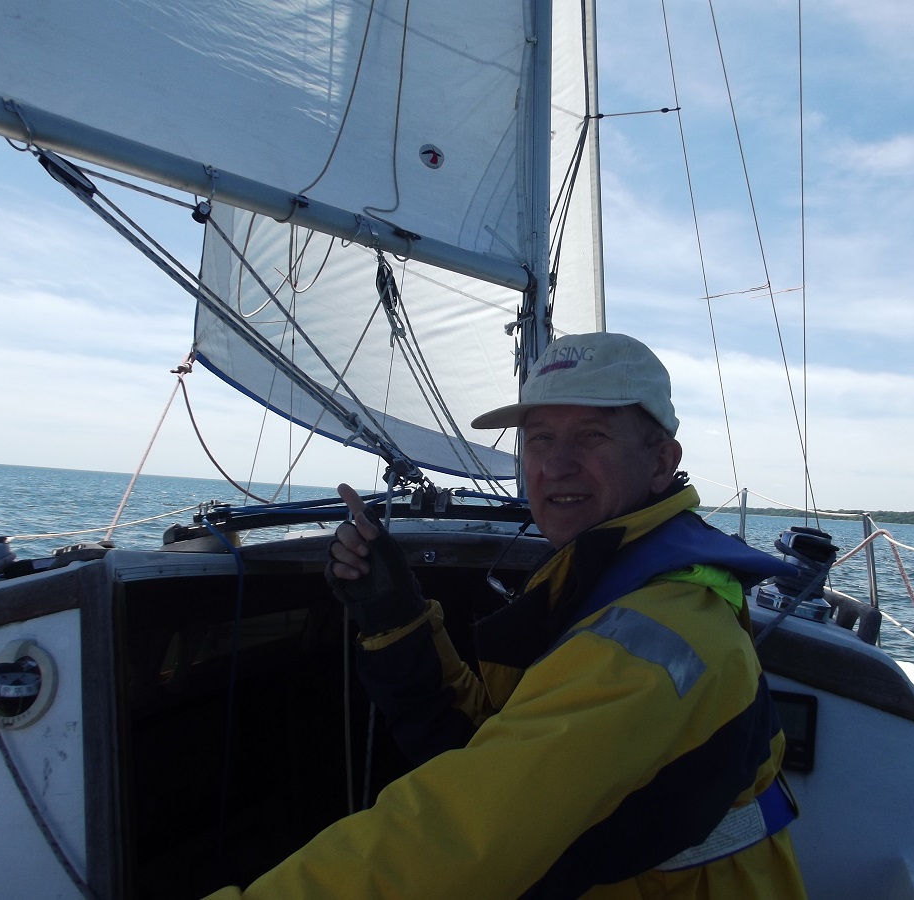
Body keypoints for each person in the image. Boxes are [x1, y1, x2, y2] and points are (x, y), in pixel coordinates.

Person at [206, 332, 808, 899]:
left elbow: (456, 837)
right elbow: (491, 742)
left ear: (660, 462)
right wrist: (396, 618)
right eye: (539, 439)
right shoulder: (603, 578)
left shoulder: (663, 631)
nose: (557, 464)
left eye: (592, 435)